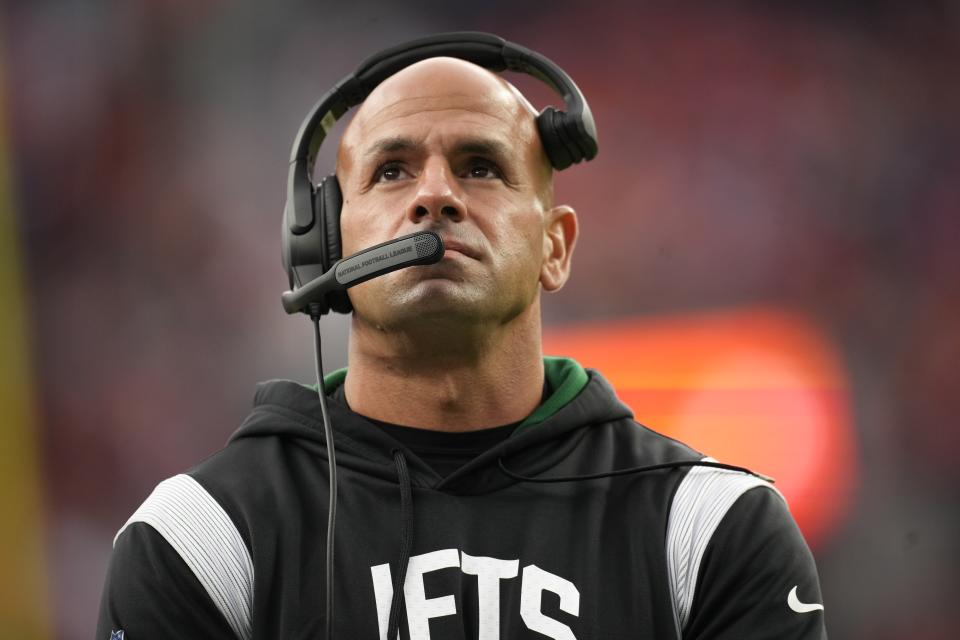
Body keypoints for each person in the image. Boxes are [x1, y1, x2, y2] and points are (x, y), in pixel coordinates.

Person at [97, 42, 827, 640]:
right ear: (323, 248)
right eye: (391, 171)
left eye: (481, 167)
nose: (436, 195)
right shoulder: (202, 543)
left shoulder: (711, 533)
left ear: (555, 247)